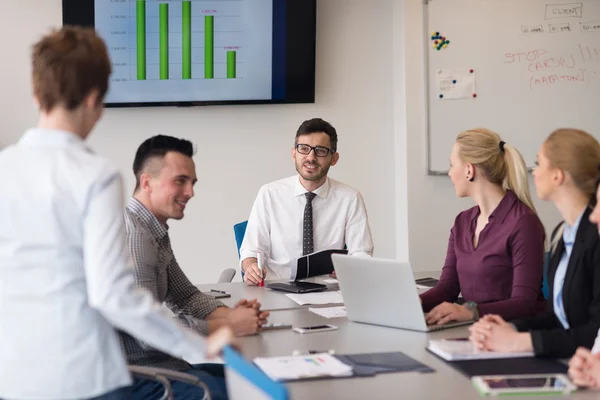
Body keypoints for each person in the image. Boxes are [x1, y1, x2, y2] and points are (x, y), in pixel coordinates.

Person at [0, 26, 233, 400]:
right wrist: (198, 347)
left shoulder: (5, 167)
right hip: (81, 376)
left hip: (14, 378)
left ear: (35, 94)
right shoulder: (94, 175)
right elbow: (114, 295)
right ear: (95, 99)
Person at [121, 135, 270, 399]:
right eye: (180, 181)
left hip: (165, 368)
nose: (190, 192)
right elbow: (147, 332)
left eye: (192, 183)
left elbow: (185, 296)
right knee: (257, 391)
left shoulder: (153, 230)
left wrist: (232, 314)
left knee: (260, 379)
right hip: (142, 380)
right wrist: (228, 327)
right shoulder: (135, 239)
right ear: (147, 182)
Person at [470, 128, 600, 358]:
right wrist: (510, 328)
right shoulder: (563, 232)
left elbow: (594, 334)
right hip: (566, 362)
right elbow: (557, 318)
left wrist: (518, 342)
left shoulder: (595, 238)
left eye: (538, 164)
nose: (534, 172)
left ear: (557, 176)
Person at [421, 128, 546, 325]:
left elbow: (524, 303)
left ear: (469, 170)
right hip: (475, 331)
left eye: (452, 165)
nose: (450, 173)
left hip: (513, 334)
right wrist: (411, 303)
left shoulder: (523, 223)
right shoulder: (462, 222)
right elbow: (448, 288)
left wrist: (470, 311)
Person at [239, 118, 374, 284]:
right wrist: (251, 266)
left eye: (320, 151)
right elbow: (250, 251)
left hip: (328, 289)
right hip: (278, 287)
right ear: (294, 153)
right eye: (304, 149)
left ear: (334, 158)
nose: (311, 157)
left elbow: (361, 253)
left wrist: (352, 269)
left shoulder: (350, 198)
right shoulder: (270, 194)